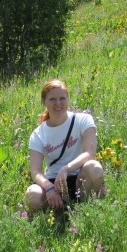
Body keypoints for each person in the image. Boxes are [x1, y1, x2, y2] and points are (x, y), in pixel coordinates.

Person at [25, 79, 105, 211]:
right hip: (53, 182)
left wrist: (66, 169)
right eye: (52, 99)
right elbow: (36, 171)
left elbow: (90, 154)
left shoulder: (83, 120)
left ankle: (85, 209)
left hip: (80, 177)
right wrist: (49, 188)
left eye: (62, 98)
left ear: (68, 99)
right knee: (32, 194)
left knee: (94, 167)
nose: (58, 103)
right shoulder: (38, 134)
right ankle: (59, 211)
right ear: (44, 101)